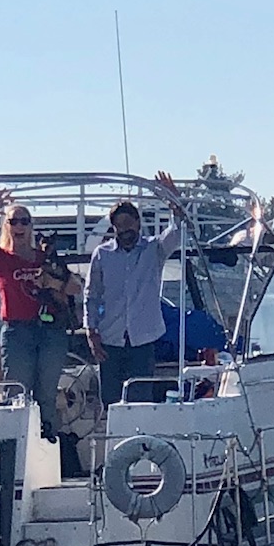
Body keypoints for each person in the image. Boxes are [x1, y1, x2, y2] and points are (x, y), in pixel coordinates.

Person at [0, 192, 79, 441]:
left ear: (31, 226)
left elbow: (75, 287)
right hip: (17, 331)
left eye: (24, 221)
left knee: (47, 392)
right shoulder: (0, 258)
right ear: (7, 227)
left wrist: (51, 283)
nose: (19, 226)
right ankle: (19, 447)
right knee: (18, 393)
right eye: (14, 221)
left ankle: (48, 445)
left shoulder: (45, 257)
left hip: (51, 331)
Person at [86, 172, 186, 408]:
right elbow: (91, 296)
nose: (125, 229)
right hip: (110, 339)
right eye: (119, 225)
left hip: (143, 339)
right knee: (110, 402)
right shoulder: (102, 254)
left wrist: (174, 199)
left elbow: (179, 230)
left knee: (141, 402)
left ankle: (139, 445)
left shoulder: (155, 249)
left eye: (129, 223)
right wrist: (91, 332)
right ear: (113, 228)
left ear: (138, 223)